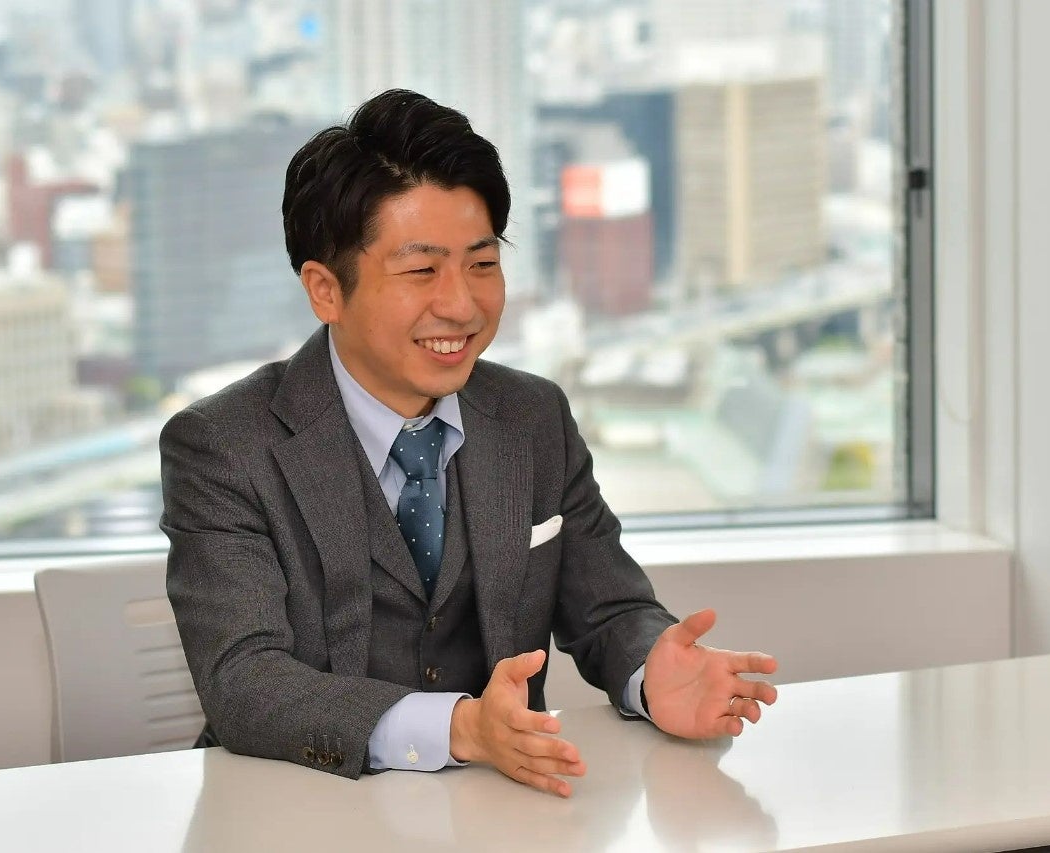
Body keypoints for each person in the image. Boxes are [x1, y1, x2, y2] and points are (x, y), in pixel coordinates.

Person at [160, 88, 778, 798]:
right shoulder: (223, 445)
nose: (461, 304)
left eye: (482, 265)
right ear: (325, 290)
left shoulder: (532, 415)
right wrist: (456, 727)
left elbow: (609, 608)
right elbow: (243, 682)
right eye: (421, 271)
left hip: (501, 809)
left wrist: (648, 672)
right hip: (295, 807)